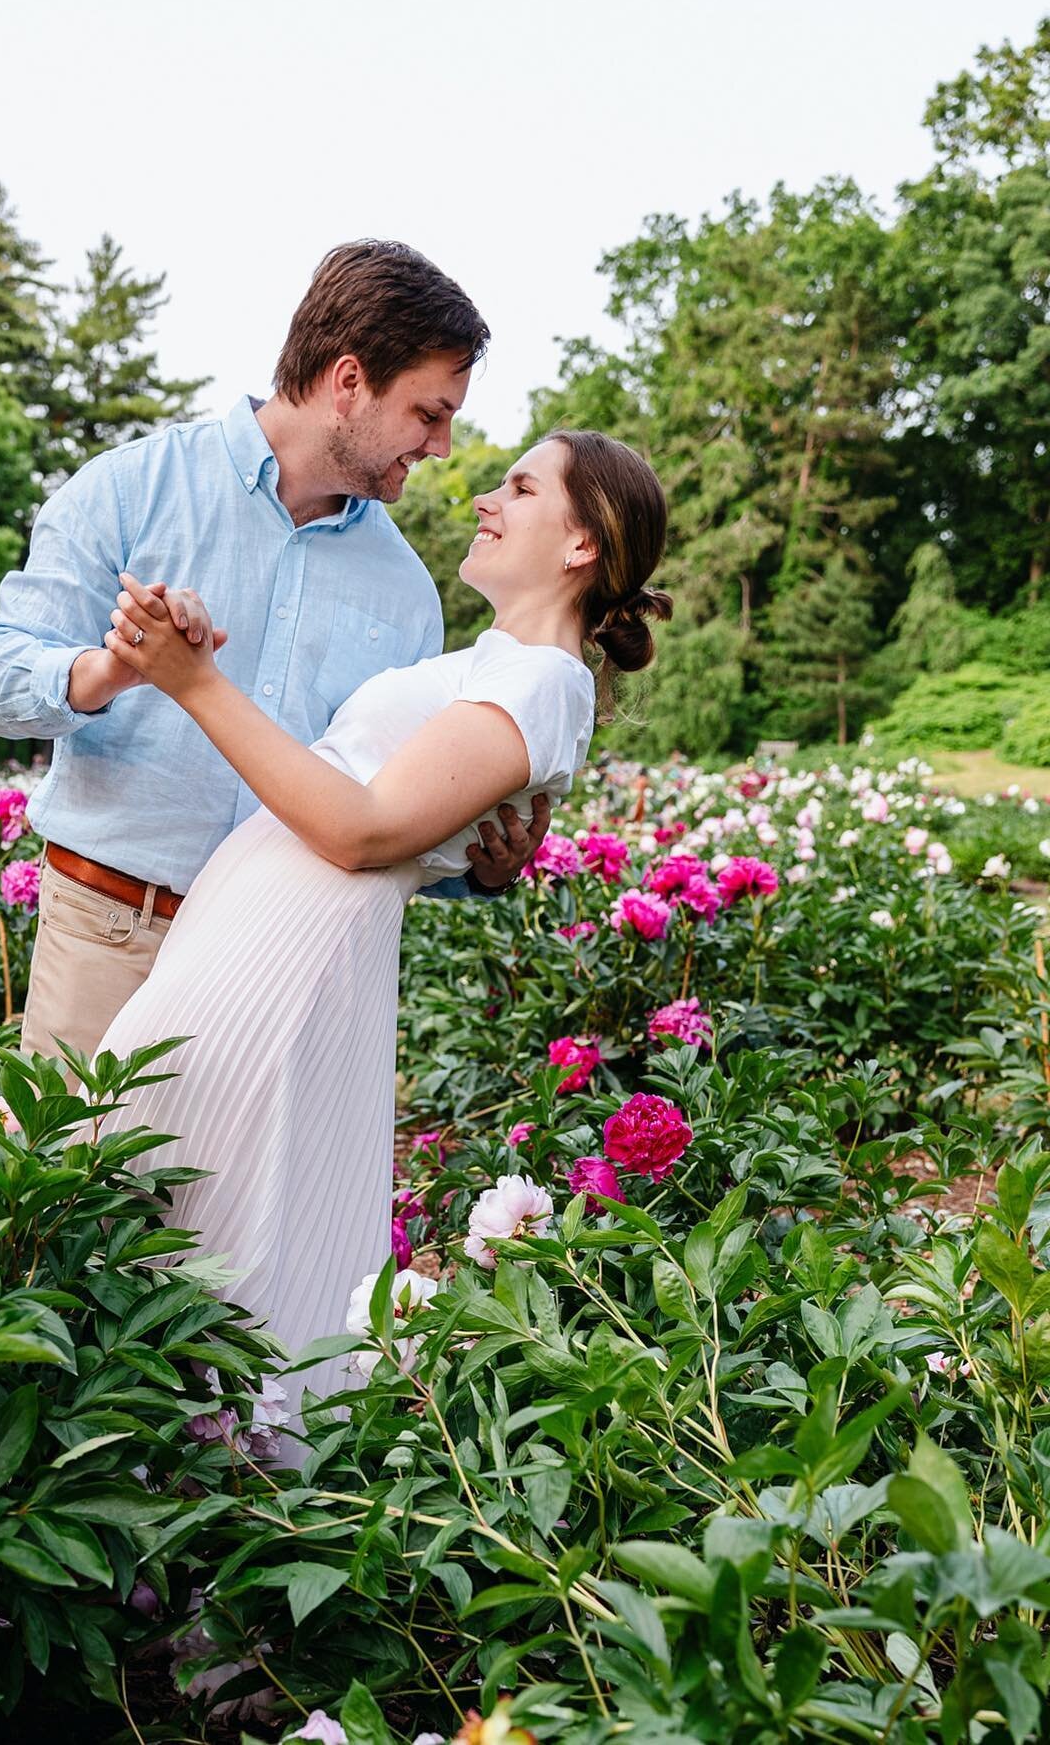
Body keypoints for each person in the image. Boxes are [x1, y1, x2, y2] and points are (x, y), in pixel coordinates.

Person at [93, 428, 672, 1461]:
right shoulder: (499, 664)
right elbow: (419, 818)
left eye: (521, 484)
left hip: (295, 943)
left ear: (583, 541)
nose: (487, 494)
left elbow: (363, 829)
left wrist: (192, 683)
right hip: (262, 925)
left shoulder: (544, 679)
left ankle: (204, 1540)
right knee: (158, 1202)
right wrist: (476, 861)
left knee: (203, 1229)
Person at [0, 241, 552, 1065]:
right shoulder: (131, 488)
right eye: (429, 413)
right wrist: (110, 670)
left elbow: (376, 813)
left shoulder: (408, 593)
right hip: (111, 935)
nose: (443, 445)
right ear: (349, 382)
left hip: (281, 965)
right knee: (73, 1190)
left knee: (235, 1202)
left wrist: (476, 869)